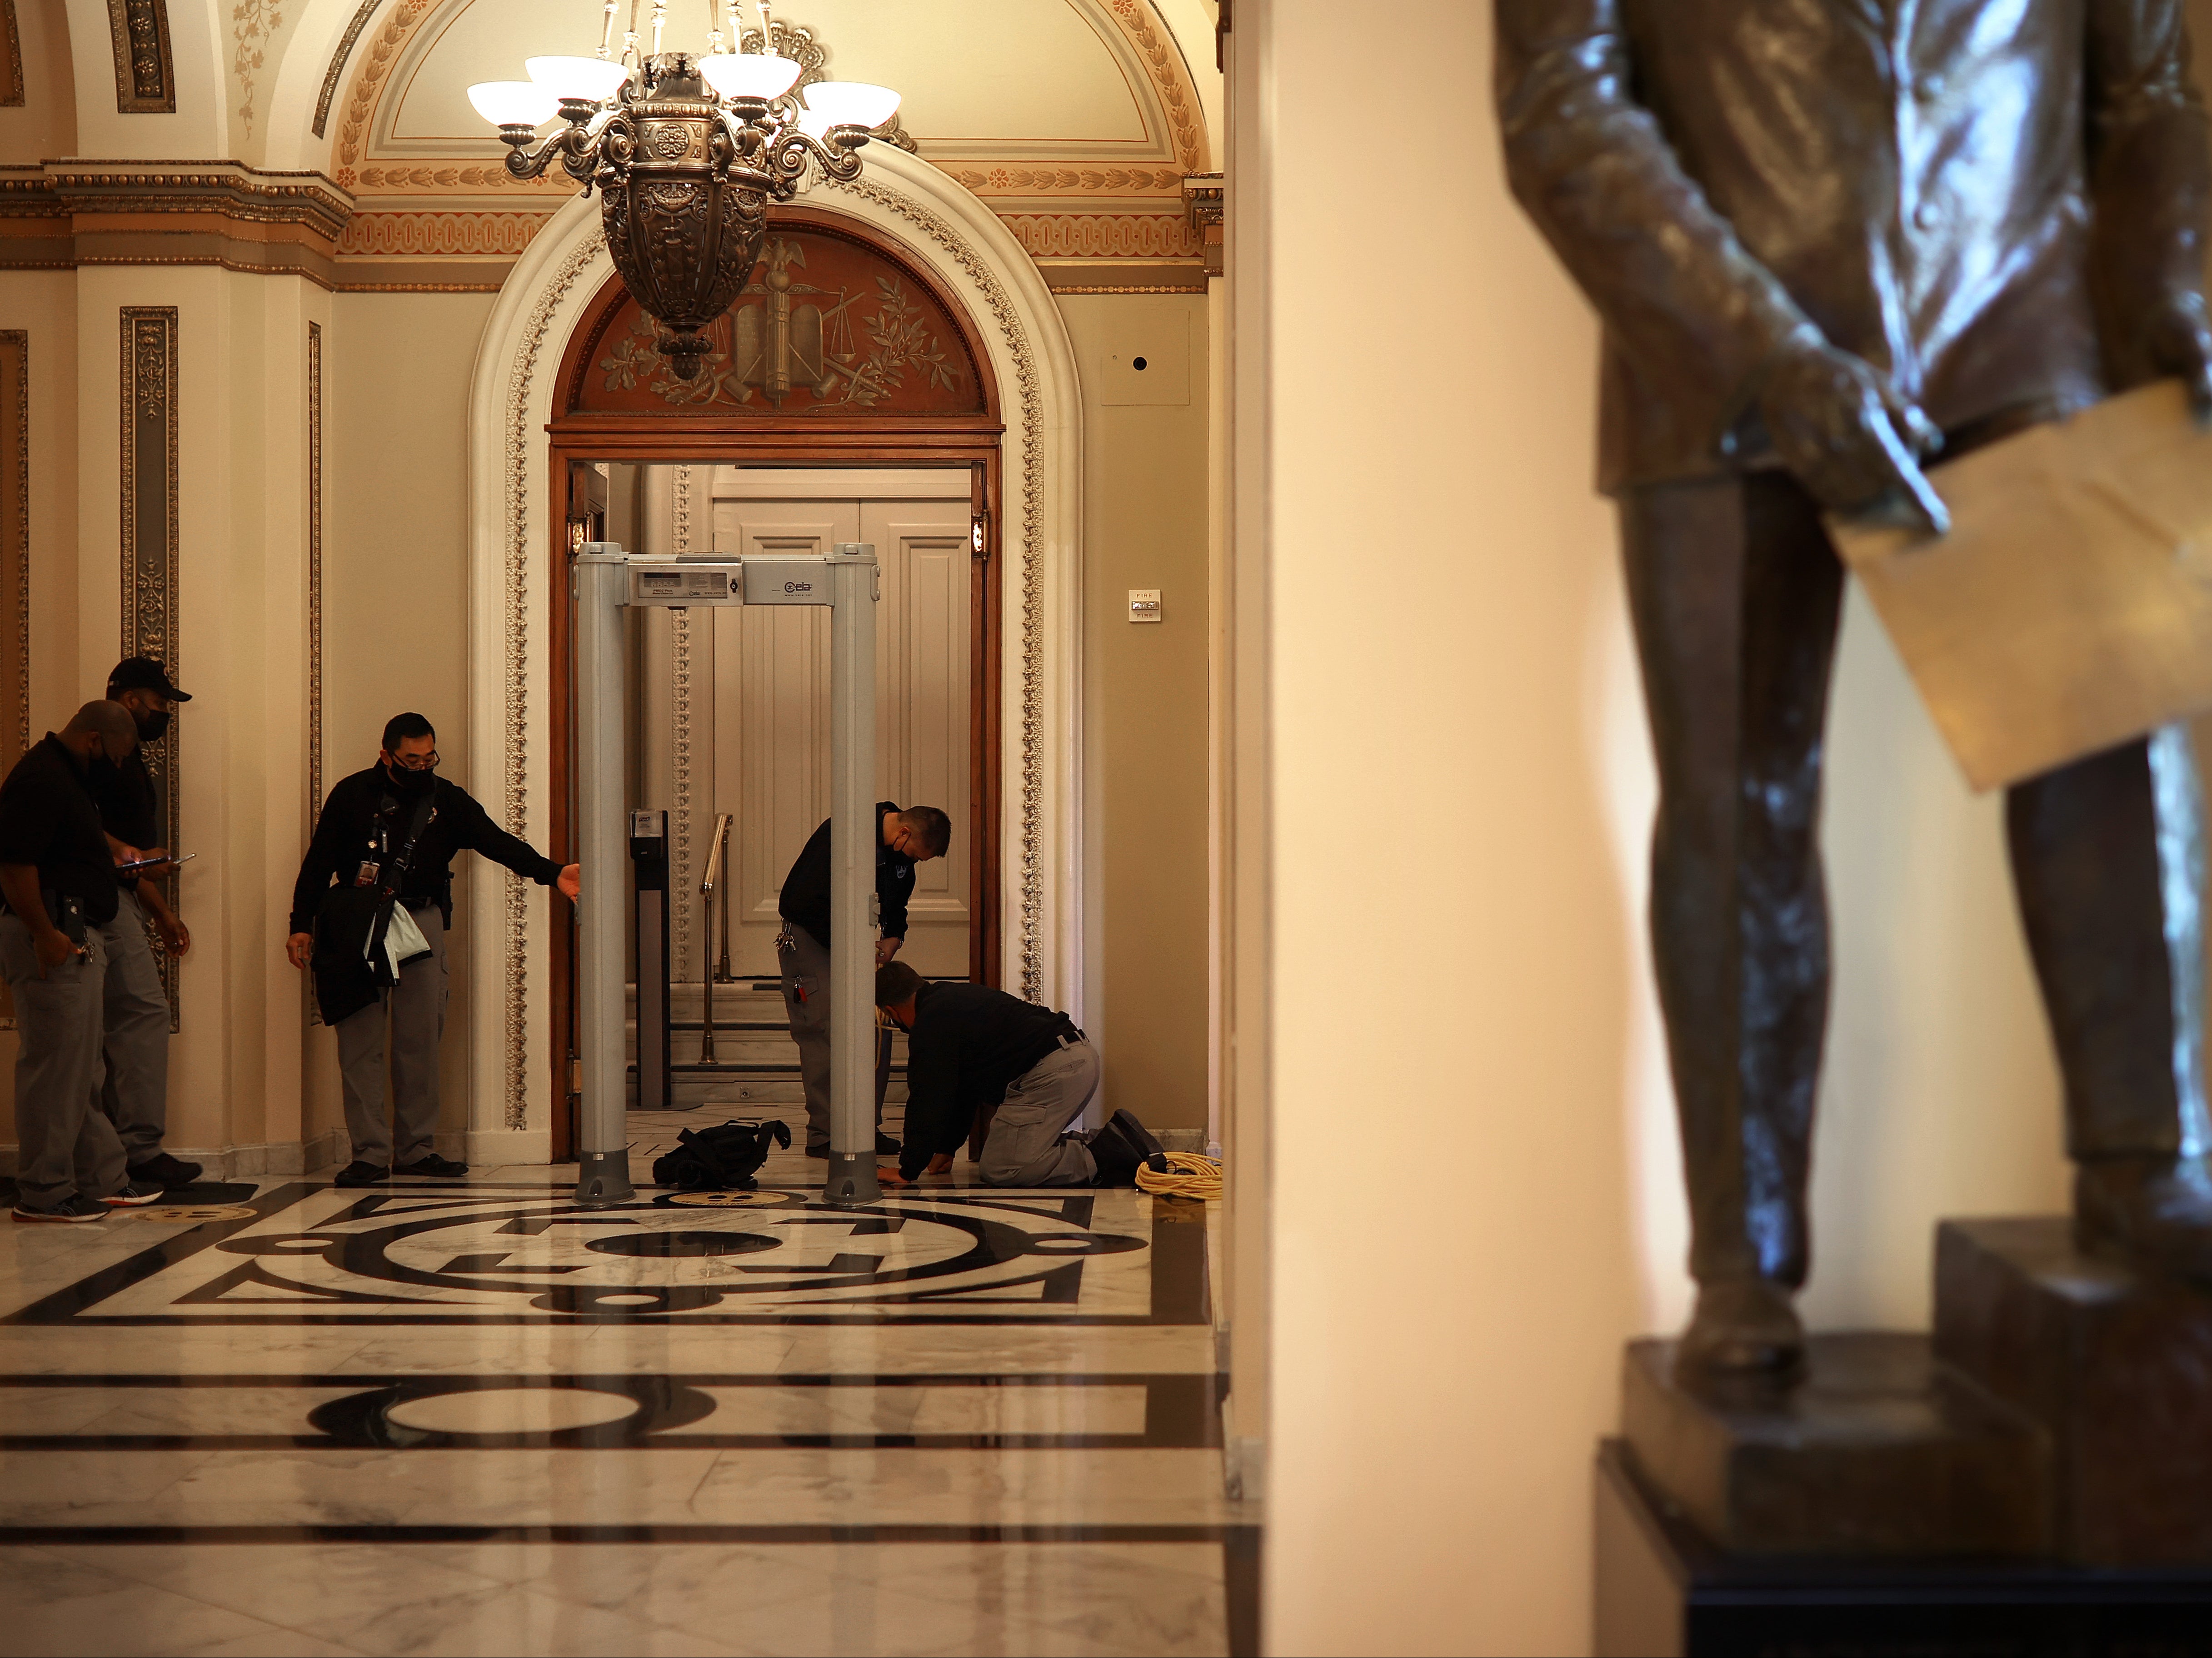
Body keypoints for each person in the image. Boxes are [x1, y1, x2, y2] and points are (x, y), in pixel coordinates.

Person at [1497, 0, 2212, 1372]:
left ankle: (2142, 1161)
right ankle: (1742, 1262)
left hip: (2023, 313)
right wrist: (1760, 354)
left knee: (2106, 738)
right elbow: (1556, 104)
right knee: (1736, 807)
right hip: (1705, 354)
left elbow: (2148, 84)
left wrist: (2164, 284)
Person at [287, 714, 579, 1187]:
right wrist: (301, 925)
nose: (422, 767)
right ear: (386, 755)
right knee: (360, 1044)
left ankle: (416, 1150)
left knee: (419, 1042)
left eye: (429, 758)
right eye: (412, 760)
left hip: (419, 921)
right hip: (356, 922)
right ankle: (369, 1154)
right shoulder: (351, 794)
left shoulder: (447, 799)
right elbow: (318, 862)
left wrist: (552, 872)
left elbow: (496, 842)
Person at [0, 702, 169, 1220]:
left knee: (82, 1068)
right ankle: (43, 1192)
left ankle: (102, 1178)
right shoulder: (42, 777)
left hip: (75, 927)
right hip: (53, 930)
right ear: (94, 739)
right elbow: (15, 865)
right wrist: (44, 934)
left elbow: (80, 836)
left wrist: (119, 851)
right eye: (116, 756)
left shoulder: (69, 778)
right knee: (56, 1069)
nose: (117, 767)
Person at [874, 961, 1163, 1189]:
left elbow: (928, 1099)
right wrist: (947, 1148)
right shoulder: (949, 999)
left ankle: (1107, 1152)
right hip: (1076, 1058)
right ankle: (1114, 1140)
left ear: (891, 1011)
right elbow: (963, 1090)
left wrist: (907, 1170)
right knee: (1016, 1155)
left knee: (1002, 1168)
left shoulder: (930, 1024)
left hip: (1054, 1071)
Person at [776, 802, 951, 1158]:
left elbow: (897, 898)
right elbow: (800, 901)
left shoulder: (899, 855)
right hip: (812, 938)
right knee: (822, 1032)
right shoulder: (841, 833)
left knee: (875, 1030)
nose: (913, 862)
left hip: (854, 942)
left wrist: (894, 935)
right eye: (915, 855)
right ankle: (825, 1133)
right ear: (904, 832)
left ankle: (863, 1128)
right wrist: (851, 943)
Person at [86, 657, 200, 1192]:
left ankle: (125, 1146)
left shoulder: (127, 758)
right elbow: (91, 833)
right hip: (98, 900)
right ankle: (135, 1148)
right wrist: (136, 859)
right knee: (139, 1013)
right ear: (130, 701)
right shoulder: (98, 756)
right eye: (159, 705)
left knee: (127, 1019)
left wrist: (161, 911)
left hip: (120, 896)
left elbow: (129, 863)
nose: (164, 716)